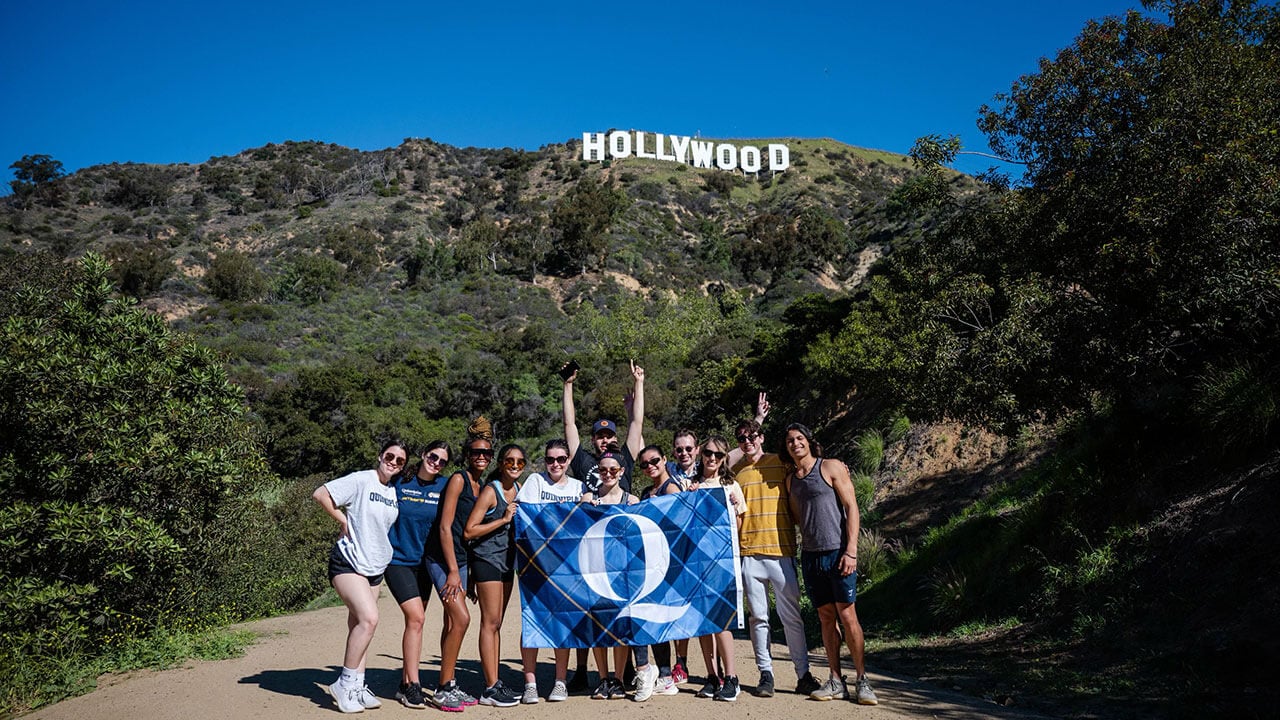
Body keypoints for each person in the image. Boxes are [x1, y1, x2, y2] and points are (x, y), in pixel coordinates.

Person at [781, 423, 878, 706]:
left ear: (809, 441)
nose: (795, 443)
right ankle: (836, 680)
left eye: (800, 438)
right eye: (789, 440)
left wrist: (851, 550)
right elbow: (799, 517)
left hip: (839, 553)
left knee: (848, 616)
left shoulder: (831, 467)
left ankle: (863, 680)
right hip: (811, 557)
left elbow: (852, 507)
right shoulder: (791, 480)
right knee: (825, 617)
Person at [561, 361, 645, 688]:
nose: (605, 440)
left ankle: (623, 675)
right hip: (591, 550)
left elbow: (637, 422)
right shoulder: (583, 462)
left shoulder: (624, 459)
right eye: (600, 435)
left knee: (622, 612)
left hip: (623, 550)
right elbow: (569, 425)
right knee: (590, 612)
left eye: (609, 434)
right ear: (594, 439)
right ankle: (590, 674)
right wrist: (568, 385)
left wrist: (639, 383)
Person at [313, 439, 406, 714]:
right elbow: (321, 494)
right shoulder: (361, 480)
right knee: (369, 619)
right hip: (348, 562)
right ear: (380, 455)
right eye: (390, 456)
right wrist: (341, 519)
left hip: (374, 566)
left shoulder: (391, 490)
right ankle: (344, 683)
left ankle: (357, 685)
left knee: (359, 626)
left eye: (400, 461)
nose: (393, 462)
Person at [732, 412, 819, 698]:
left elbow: (807, 466)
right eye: (742, 438)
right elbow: (718, 459)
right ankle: (765, 674)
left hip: (782, 551)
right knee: (759, 618)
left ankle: (803, 674)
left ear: (762, 437)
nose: (748, 441)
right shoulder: (735, 472)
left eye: (753, 436)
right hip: (749, 553)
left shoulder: (781, 463)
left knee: (791, 617)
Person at [423, 421, 492, 711]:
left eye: (487, 454)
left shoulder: (482, 486)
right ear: (467, 454)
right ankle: (441, 688)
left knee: (451, 621)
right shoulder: (459, 480)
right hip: (441, 559)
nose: (481, 457)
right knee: (462, 619)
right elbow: (444, 527)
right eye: (476, 452)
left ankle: (449, 682)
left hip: (462, 561)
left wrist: (470, 575)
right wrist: (452, 570)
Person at [514, 439, 584, 703]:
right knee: (531, 619)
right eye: (550, 459)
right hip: (536, 564)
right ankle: (530, 683)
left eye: (561, 459)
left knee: (563, 620)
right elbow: (526, 517)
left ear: (568, 460)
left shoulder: (579, 487)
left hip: (568, 566)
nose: (555, 464)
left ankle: (560, 681)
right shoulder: (535, 482)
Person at [384, 440, 452, 709]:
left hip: (425, 564)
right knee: (417, 617)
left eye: (442, 461)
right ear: (424, 454)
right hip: (398, 560)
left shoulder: (444, 486)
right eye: (433, 456)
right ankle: (413, 685)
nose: (436, 463)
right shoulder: (400, 481)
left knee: (416, 623)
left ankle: (404, 683)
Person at [465, 444, 526, 708]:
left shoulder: (520, 490)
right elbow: (469, 530)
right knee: (489, 623)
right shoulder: (491, 491)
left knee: (497, 622)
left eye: (520, 462)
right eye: (509, 461)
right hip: (487, 559)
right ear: (500, 463)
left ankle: (496, 681)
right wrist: (502, 520)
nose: (514, 465)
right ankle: (489, 688)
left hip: (507, 563)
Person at [688, 434, 747, 702]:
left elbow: (738, 528)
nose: (712, 458)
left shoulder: (731, 485)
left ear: (724, 459)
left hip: (722, 562)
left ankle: (732, 678)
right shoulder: (692, 485)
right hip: (697, 563)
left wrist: (733, 510)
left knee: (722, 621)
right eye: (708, 453)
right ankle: (712, 677)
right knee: (703, 623)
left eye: (718, 455)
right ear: (701, 454)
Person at [582, 452, 639, 700]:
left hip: (624, 571)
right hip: (595, 570)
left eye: (612, 470)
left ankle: (618, 679)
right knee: (599, 625)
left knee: (620, 626)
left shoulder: (632, 500)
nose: (607, 474)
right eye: (603, 470)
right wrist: (585, 510)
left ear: (621, 472)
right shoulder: (588, 498)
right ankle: (603, 678)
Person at [631, 445, 684, 700]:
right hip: (648, 564)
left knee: (650, 617)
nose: (650, 465)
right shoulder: (645, 492)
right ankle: (661, 673)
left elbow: (675, 523)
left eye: (654, 460)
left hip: (664, 565)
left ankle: (658, 672)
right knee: (651, 617)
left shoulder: (670, 488)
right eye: (644, 464)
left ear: (665, 460)